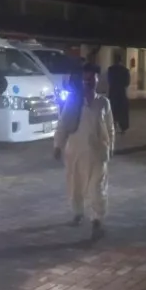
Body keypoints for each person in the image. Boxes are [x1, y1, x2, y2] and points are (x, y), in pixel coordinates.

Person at [53, 63, 116, 241]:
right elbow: (63, 125)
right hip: (75, 153)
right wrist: (58, 145)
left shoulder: (103, 103)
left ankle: (97, 221)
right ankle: (78, 213)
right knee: (76, 186)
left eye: (92, 79)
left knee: (97, 188)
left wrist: (109, 148)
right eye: (85, 80)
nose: (88, 83)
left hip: (97, 154)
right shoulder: (73, 102)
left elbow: (110, 128)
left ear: (97, 81)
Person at [107, 53, 131, 135]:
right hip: (121, 92)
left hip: (113, 92)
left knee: (113, 110)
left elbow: (109, 81)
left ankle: (113, 125)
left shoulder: (110, 69)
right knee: (122, 111)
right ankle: (123, 127)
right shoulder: (125, 70)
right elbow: (127, 83)